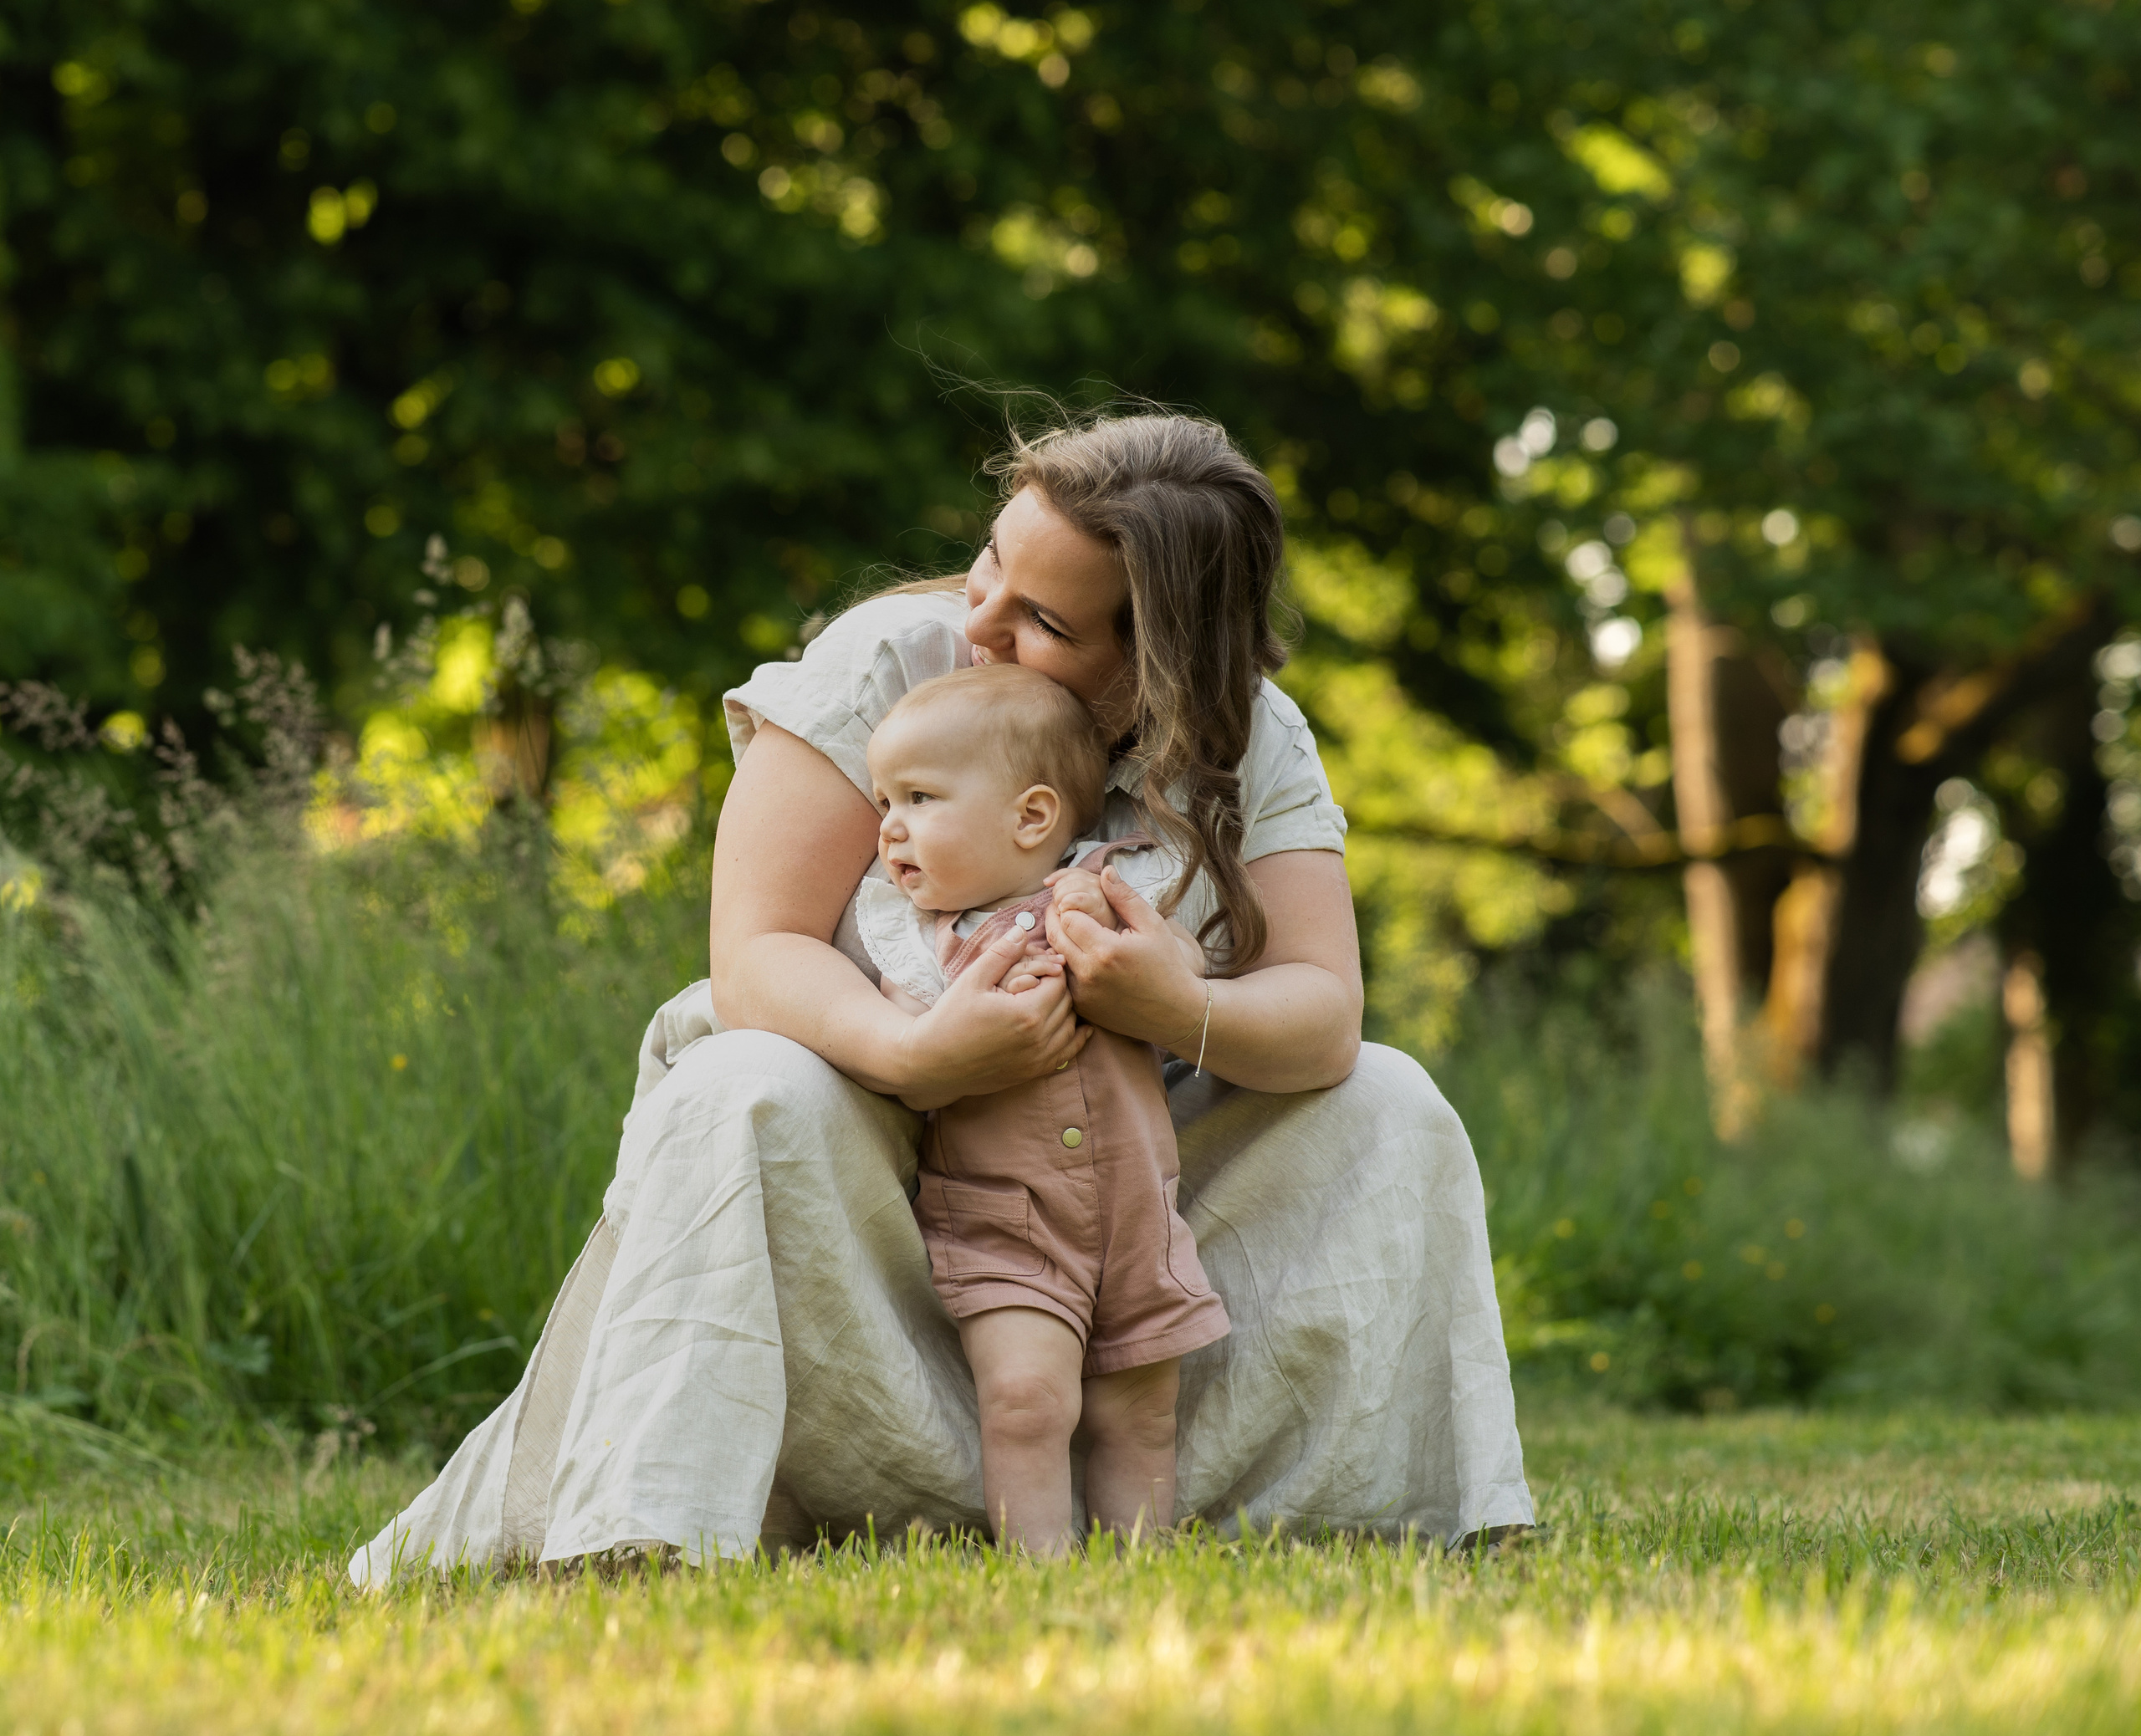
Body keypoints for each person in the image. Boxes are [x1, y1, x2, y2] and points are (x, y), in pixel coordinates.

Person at [350, 410, 1533, 1585]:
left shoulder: (1255, 738)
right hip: (875, 1165)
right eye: (990, 566)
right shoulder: (890, 664)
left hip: (1129, 1188)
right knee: (743, 1082)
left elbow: (1324, 1012)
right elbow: (755, 950)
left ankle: (1278, 1502)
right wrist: (920, 1052)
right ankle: (673, 1513)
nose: (980, 622)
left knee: (1392, 1098)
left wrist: (1179, 1005)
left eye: (1043, 620)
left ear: (1157, 662)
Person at [861, 665, 1229, 1553]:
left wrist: (1148, 960)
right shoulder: (917, 949)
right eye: (883, 801)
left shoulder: (1110, 895)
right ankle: (1038, 1580)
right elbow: (906, 1072)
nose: (889, 827)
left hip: (1138, 1216)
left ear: (1029, 817)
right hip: (1004, 1224)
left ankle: (1135, 1573)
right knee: (1027, 1399)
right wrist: (940, 1037)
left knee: (1139, 1414)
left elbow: (1190, 985)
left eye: (918, 797)